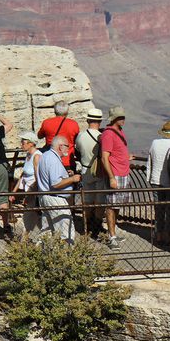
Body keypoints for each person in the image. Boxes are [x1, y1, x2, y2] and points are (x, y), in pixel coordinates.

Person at [36, 135, 80, 243]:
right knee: (66, 231)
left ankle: (41, 255)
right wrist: (73, 179)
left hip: (45, 197)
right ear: (60, 147)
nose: (68, 149)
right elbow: (55, 184)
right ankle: (67, 257)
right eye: (67, 146)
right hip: (55, 200)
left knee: (47, 232)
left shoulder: (45, 155)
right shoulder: (53, 159)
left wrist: (67, 176)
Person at [100, 106, 131, 250]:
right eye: (120, 117)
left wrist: (126, 157)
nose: (123, 119)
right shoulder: (108, 134)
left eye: (123, 116)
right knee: (111, 205)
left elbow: (116, 151)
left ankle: (113, 232)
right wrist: (111, 177)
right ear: (114, 119)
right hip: (115, 174)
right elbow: (104, 157)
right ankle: (111, 237)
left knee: (117, 204)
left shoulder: (120, 132)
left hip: (123, 172)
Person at [147, 120, 170, 245]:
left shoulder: (155, 143)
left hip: (155, 180)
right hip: (169, 182)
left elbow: (150, 160)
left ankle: (159, 235)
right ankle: (169, 236)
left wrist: (149, 177)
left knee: (159, 210)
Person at [75, 108, 103, 236]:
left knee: (87, 200)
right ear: (100, 121)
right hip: (98, 171)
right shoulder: (101, 136)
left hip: (85, 169)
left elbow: (78, 152)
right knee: (99, 200)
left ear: (87, 120)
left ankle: (86, 226)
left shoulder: (81, 135)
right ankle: (97, 227)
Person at [13, 131, 42, 236]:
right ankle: (25, 242)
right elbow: (23, 176)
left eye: (23, 142)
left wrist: (31, 194)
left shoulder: (37, 156)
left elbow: (39, 178)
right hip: (29, 193)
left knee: (30, 217)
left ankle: (24, 242)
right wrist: (14, 192)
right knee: (32, 218)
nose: (21, 144)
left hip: (34, 193)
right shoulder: (29, 155)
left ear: (31, 143)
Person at [38, 101, 80, 170]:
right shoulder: (74, 124)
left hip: (50, 161)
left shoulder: (46, 122)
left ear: (55, 111)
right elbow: (77, 141)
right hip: (68, 161)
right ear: (67, 112)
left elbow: (39, 136)